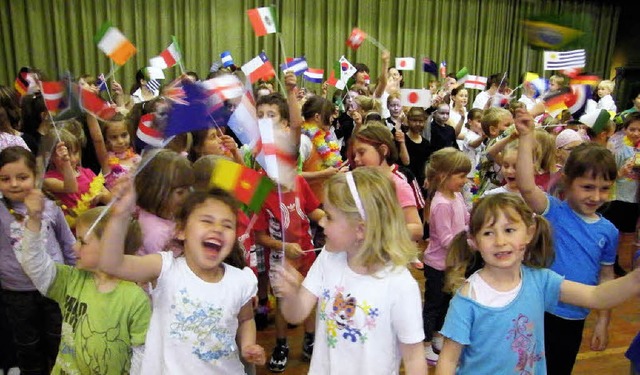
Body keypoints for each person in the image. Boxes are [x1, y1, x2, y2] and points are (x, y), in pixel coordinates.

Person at [435, 193, 640, 375]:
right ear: (475, 241)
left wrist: (635, 279)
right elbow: (448, 359)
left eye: (509, 230)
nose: (500, 241)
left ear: (529, 233)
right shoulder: (468, 298)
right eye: (488, 233)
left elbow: (596, 296)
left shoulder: (540, 280)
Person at [270, 167, 427, 375]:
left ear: (360, 229)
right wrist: (290, 294)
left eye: (329, 217)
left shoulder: (400, 285)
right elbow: (296, 314)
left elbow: (414, 357)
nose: (321, 222)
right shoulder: (328, 258)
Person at [99, 180, 266, 373]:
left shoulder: (240, 281)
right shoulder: (165, 268)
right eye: (207, 221)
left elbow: (246, 319)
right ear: (180, 230)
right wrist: (119, 215)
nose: (218, 228)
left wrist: (247, 345)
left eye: (227, 225)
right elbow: (111, 264)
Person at [515, 108, 619, 374]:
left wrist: (602, 321)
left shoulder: (609, 232)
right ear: (568, 182)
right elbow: (526, 186)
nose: (596, 196)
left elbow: (606, 277)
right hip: (538, 311)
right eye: (587, 187)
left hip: (574, 317)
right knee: (524, 366)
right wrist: (527, 137)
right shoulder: (554, 211)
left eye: (604, 188)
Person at [17, 196, 151, 374]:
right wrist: (34, 221)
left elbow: (141, 354)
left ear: (110, 247)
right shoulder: (72, 279)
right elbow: (33, 264)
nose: (74, 247)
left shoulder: (135, 299)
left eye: (83, 241)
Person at [0, 146, 76, 374]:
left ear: (36, 176)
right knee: (27, 344)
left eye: (22, 177)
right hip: (16, 290)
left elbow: (68, 244)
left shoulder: (50, 208)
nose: (13, 184)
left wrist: (74, 279)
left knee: (58, 338)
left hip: (54, 287)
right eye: (5, 178)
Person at [254, 173, 325, 372]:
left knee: (309, 296)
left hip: (306, 254)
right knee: (283, 302)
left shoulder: (299, 181)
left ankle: (310, 340)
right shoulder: (261, 190)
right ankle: (281, 344)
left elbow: (312, 210)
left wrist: (326, 219)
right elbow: (259, 236)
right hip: (281, 259)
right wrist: (283, 246)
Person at [422, 147, 471, 364]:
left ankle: (438, 336)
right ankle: (424, 344)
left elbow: (467, 220)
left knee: (448, 302)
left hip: (454, 263)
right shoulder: (441, 203)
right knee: (434, 304)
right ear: (443, 175)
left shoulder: (457, 196)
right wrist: (471, 244)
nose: (465, 180)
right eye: (461, 175)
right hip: (438, 264)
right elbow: (445, 239)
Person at [43, 129, 111, 229]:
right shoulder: (48, 179)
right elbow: (71, 187)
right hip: (71, 231)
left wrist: (101, 196)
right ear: (50, 156)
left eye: (75, 153)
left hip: (93, 227)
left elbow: (110, 199)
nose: (73, 159)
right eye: (66, 155)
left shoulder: (87, 173)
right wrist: (66, 163)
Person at [134, 149, 195, 256]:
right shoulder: (155, 232)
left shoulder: (168, 212)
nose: (187, 195)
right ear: (155, 192)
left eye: (188, 189)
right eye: (180, 192)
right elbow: (165, 268)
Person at [86, 113, 141, 189]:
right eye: (114, 137)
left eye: (124, 135)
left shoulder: (138, 159)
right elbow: (97, 139)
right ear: (105, 140)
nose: (120, 141)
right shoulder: (106, 161)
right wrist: (89, 110)